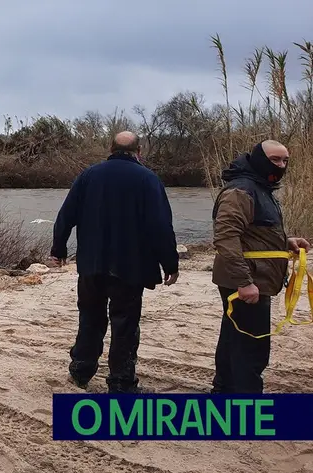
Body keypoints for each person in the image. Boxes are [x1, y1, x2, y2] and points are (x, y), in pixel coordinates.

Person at [49, 131, 179, 394]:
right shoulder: (148, 179)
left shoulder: (88, 176)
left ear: (110, 149)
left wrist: (58, 248)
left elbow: (66, 214)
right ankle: (121, 382)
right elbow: (160, 225)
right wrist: (170, 263)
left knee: (90, 317)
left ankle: (81, 370)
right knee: (125, 324)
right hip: (130, 267)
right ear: (138, 151)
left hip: (91, 264)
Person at [210, 140, 310, 394]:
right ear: (258, 159)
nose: (281, 165)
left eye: (285, 160)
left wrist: (286, 242)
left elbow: (252, 231)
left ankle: (224, 391)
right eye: (275, 160)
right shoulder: (241, 191)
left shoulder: (260, 188)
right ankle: (247, 400)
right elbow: (226, 237)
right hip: (246, 279)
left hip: (255, 277)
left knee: (234, 337)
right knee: (251, 346)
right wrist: (244, 282)